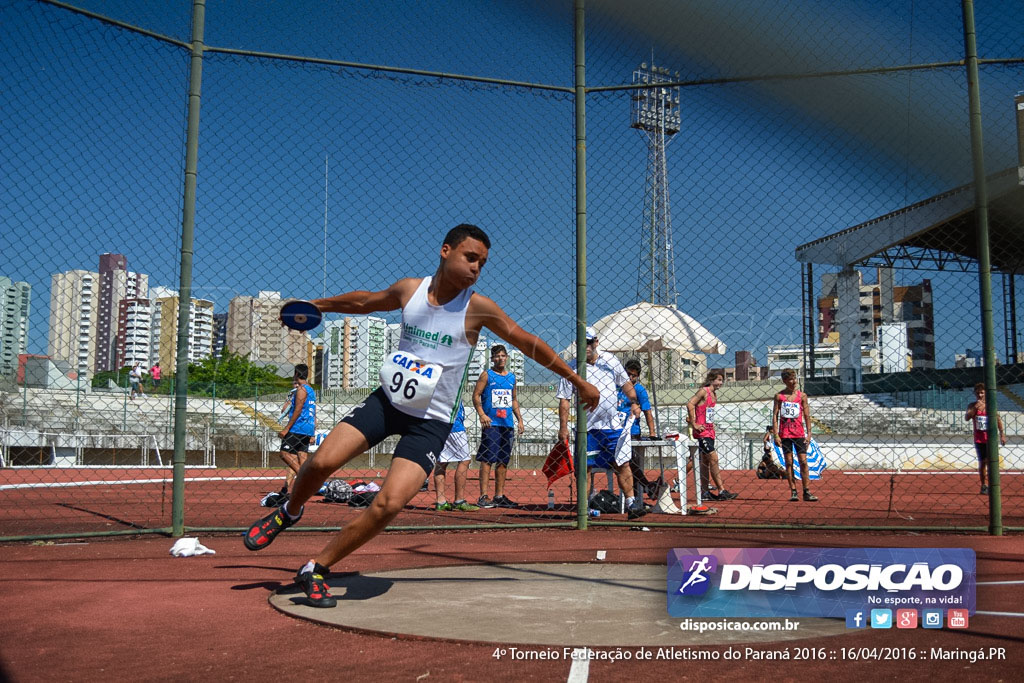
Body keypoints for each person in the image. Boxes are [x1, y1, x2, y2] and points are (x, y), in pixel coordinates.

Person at [243, 224, 599, 608]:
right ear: (446, 251)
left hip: (431, 421)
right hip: (387, 403)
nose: (476, 268)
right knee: (321, 461)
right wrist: (319, 306)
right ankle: (288, 512)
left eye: (482, 263)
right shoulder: (410, 289)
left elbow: (527, 341)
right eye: (470, 257)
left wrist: (576, 380)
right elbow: (366, 301)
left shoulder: (478, 308)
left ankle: (316, 568)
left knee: (389, 504)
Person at [556, 327, 646, 520]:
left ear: (595, 342)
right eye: (582, 343)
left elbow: (625, 384)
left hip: (612, 426)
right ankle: (584, 508)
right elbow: (564, 399)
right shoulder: (571, 368)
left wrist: (634, 402)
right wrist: (563, 426)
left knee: (622, 463)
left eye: (588, 342)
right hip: (587, 429)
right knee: (585, 468)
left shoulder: (610, 361)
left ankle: (631, 503)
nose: (586, 347)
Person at [473, 344, 523, 508]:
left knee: (503, 461)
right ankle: (483, 496)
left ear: (507, 357)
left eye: (503, 355)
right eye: (497, 356)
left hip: (506, 424)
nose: (500, 358)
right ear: (492, 358)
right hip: (491, 424)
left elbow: (514, 399)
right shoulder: (487, 375)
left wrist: (519, 419)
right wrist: (482, 414)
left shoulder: (512, 378)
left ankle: (499, 495)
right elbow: (476, 395)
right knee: (487, 460)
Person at [686, 370, 737, 501]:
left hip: (709, 431)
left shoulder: (714, 395)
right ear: (711, 379)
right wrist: (694, 422)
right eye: (719, 380)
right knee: (713, 458)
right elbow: (690, 403)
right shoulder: (704, 391)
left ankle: (704, 492)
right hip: (701, 432)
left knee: (705, 462)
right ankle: (721, 490)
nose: (721, 383)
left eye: (722, 380)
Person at [270, 366, 316, 504]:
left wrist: (286, 428)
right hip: (307, 427)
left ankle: (305, 479)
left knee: (284, 453)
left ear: (296, 374)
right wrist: (312, 431)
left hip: (298, 427)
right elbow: (314, 410)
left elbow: (297, 410)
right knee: (301, 457)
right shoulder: (311, 389)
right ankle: (302, 483)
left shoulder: (301, 390)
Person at [771, 369, 818, 502]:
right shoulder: (779, 396)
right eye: (791, 379)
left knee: (803, 462)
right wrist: (776, 435)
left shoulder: (802, 396)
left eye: (795, 378)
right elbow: (775, 415)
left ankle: (806, 491)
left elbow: (807, 415)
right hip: (785, 434)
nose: (794, 382)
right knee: (789, 462)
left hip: (799, 433)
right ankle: (793, 491)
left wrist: (809, 433)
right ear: (785, 381)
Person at [617, 358, 658, 499]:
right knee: (625, 463)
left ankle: (639, 496)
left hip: (632, 431)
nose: (630, 377)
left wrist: (652, 432)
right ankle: (646, 487)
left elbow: (647, 411)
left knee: (631, 461)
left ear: (638, 376)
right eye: (628, 374)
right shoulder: (617, 386)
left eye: (633, 375)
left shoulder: (639, 390)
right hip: (617, 430)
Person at [433, 402, 479, 512]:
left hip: (441, 427)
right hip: (455, 427)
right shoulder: (451, 386)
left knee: (441, 462)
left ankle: (441, 502)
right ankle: (459, 500)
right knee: (465, 460)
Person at [966, 382, 1006, 495]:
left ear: (986, 393)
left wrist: (1002, 434)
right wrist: (975, 408)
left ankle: (994, 484)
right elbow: (967, 417)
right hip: (979, 439)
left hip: (991, 439)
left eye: (982, 393)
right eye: (978, 393)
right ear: (975, 394)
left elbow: (998, 420)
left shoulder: (990, 406)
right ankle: (984, 484)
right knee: (983, 462)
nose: (980, 395)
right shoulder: (972, 405)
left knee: (992, 462)